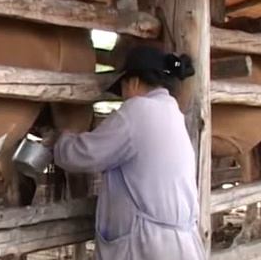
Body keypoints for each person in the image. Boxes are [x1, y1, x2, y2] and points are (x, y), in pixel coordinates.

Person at [52, 45, 205, 260]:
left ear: (133, 82)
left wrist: (62, 140)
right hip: (183, 244)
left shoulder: (137, 111)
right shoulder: (172, 113)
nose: (123, 97)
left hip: (148, 246)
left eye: (122, 89)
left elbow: (83, 156)